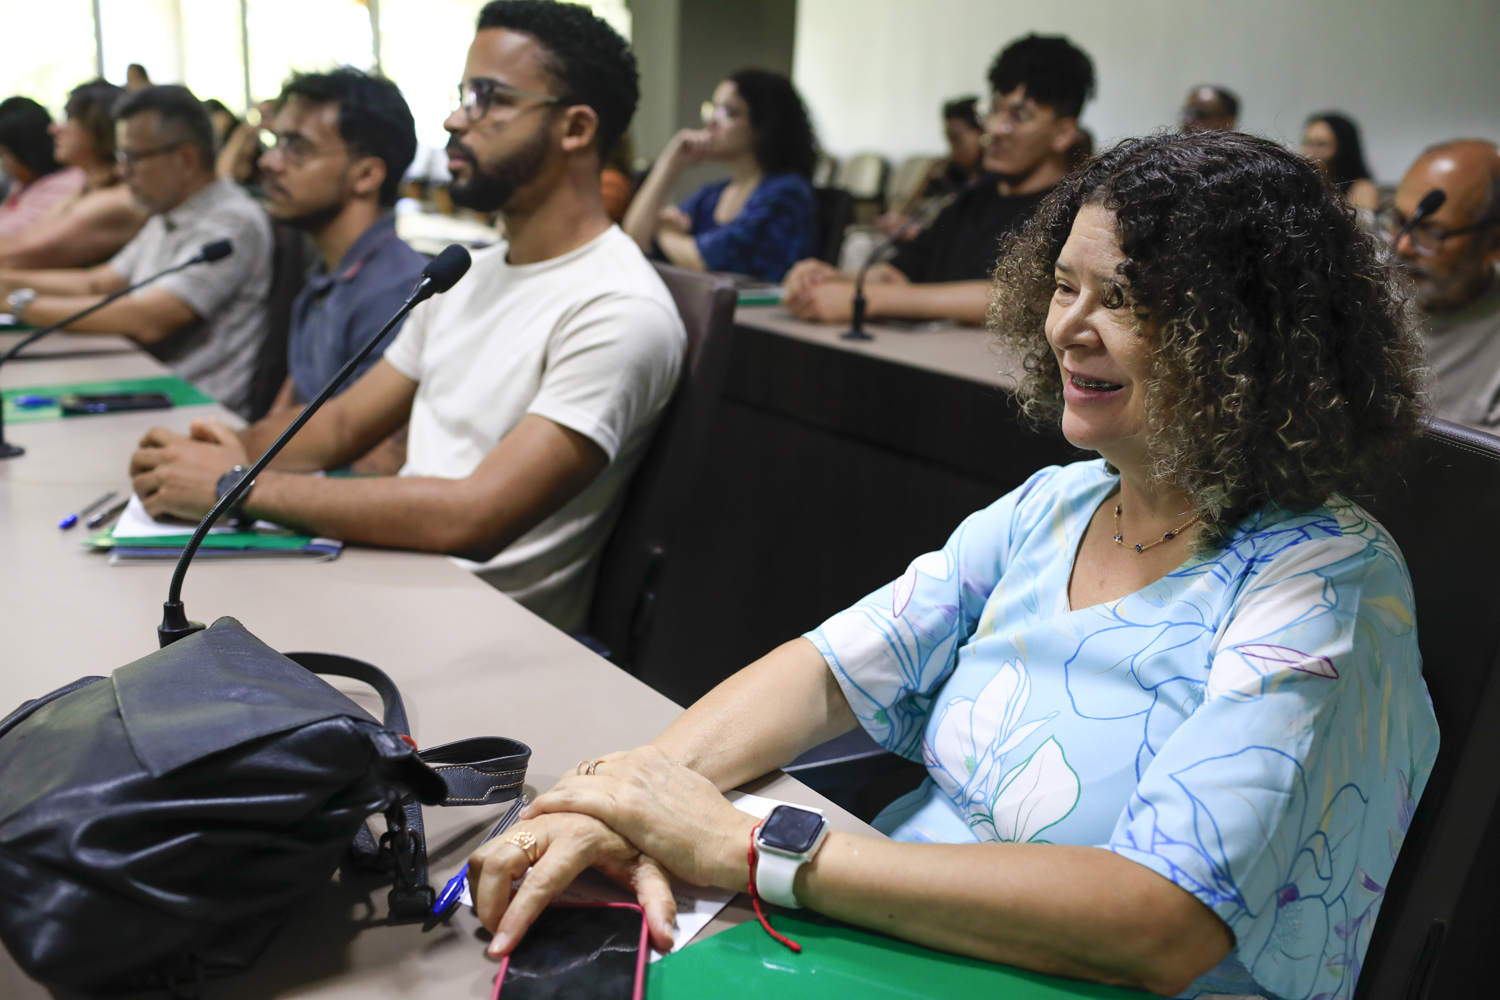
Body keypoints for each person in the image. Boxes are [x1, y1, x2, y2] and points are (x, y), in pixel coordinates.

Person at [463, 132, 1437, 1000]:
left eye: (1126, 299)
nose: (1067, 327)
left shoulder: (1325, 582)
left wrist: (751, 846)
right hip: (882, 937)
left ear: (1253, 343)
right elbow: (827, 668)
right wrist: (627, 797)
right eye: (1063, 285)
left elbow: (1162, 922)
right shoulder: (1054, 506)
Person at [127, 0, 685, 632]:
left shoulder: (620, 310)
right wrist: (213, 456)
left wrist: (235, 484)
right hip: (388, 577)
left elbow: (475, 516)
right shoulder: (468, 271)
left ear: (576, 129)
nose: (454, 119)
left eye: (488, 98)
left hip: (479, 631)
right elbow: (340, 426)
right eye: (461, 95)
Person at [784, 34, 1094, 326]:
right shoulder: (969, 198)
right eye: (994, 109)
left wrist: (869, 299)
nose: (996, 128)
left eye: (1019, 115)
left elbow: (1016, 297)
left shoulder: (1073, 213)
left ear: (1063, 133)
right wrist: (829, 278)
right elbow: (899, 274)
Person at [0, 85, 271, 415]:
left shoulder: (231, 221)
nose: (122, 170)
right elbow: (98, 284)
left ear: (186, 159)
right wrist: (8, 283)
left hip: (193, 410)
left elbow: (148, 318)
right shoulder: (170, 211)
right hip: (144, 386)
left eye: (132, 157)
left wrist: (17, 302)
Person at [251, 67, 426, 425]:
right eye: (275, 144)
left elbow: (372, 459)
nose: (269, 162)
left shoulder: (396, 294)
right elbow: (287, 410)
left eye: (296, 149)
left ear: (366, 175)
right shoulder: (327, 276)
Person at [623, 68, 816, 282]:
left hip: (756, 314)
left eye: (728, 113)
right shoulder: (713, 195)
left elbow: (703, 260)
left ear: (765, 125)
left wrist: (663, 232)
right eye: (713, 109)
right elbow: (634, 240)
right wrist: (671, 163)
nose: (711, 121)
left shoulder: (787, 193)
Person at [1388, 139, 1500, 430]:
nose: (1402, 246)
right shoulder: (1358, 291)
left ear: (1493, 243)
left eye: (1432, 232)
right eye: (1398, 220)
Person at [0, 80, 149, 269]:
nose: (54, 129)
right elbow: (21, 241)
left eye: (68, 118)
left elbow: (21, 253)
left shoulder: (116, 199)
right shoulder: (85, 190)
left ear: (98, 127)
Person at [875, 97, 986, 238]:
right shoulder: (949, 173)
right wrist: (925, 179)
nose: (952, 151)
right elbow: (900, 213)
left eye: (957, 139)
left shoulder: (992, 184)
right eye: (949, 140)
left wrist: (918, 234)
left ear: (982, 133)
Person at [0, 98, 85, 240]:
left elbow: (17, 235)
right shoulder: (24, 186)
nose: (55, 129)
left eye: (4, 154)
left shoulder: (66, 185)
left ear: (27, 151)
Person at [1303, 112, 1378, 212]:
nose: (1309, 153)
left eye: (1321, 144)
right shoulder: (1305, 185)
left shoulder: (1362, 189)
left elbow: (1362, 226)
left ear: (1343, 149)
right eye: (1307, 143)